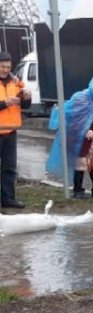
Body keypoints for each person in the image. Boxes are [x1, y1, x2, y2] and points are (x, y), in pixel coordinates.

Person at [46, 74, 93, 199]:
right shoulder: (81, 99)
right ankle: (78, 190)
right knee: (80, 165)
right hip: (81, 140)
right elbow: (74, 117)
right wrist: (84, 130)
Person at [0, 51, 31, 208]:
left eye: (8, 67)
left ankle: (8, 199)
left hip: (11, 130)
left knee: (10, 167)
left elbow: (24, 105)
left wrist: (26, 97)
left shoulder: (16, 81)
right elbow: (6, 104)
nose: (6, 70)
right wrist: (5, 103)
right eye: (3, 67)